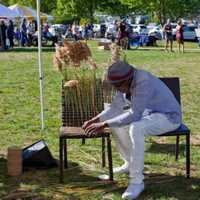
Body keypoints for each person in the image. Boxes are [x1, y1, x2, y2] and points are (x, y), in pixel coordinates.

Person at [82, 61, 181, 199]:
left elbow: (135, 114)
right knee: (116, 123)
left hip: (169, 117)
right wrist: (96, 119)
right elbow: (114, 108)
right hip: (150, 113)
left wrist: (104, 124)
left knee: (136, 127)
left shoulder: (143, 81)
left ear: (127, 79)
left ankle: (136, 182)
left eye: (117, 86)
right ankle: (129, 163)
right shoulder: (124, 80)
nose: (116, 88)